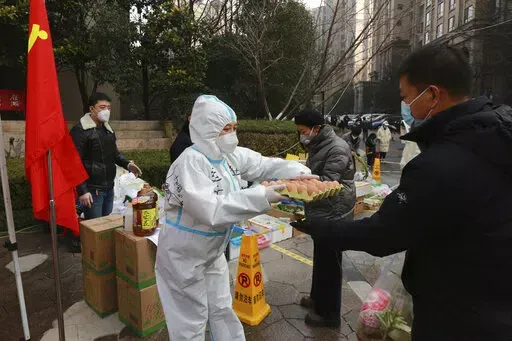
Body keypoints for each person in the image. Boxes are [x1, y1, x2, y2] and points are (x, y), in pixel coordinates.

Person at [292, 44, 512, 340]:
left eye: (406, 97)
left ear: (433, 95)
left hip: (456, 313)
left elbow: (384, 234)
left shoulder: (439, 164)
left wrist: (322, 229)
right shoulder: (496, 139)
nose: (405, 105)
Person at [156, 95, 311, 341]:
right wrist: (265, 195)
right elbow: (213, 211)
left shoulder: (228, 155)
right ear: (207, 129)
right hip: (184, 255)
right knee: (191, 320)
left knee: (221, 307)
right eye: (225, 129)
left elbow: (262, 165)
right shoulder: (190, 163)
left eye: (234, 128)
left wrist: (299, 172)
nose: (232, 134)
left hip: (212, 250)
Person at [294, 108, 356, 328]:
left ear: (316, 128)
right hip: (321, 209)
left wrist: (296, 181)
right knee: (321, 256)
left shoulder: (337, 148)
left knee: (330, 262)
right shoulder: (318, 144)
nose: (302, 136)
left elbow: (327, 181)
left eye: (303, 131)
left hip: (334, 209)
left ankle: (330, 314)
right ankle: (317, 298)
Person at [70, 93, 141, 251]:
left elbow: (114, 154)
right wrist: (82, 190)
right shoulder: (80, 130)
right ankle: (93, 258)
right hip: (92, 189)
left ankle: (102, 256)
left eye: (109, 107)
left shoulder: (107, 129)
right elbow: (73, 163)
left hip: (108, 187)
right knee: (94, 227)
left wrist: (128, 164)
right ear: (92, 109)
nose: (106, 111)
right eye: (102, 107)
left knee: (105, 224)